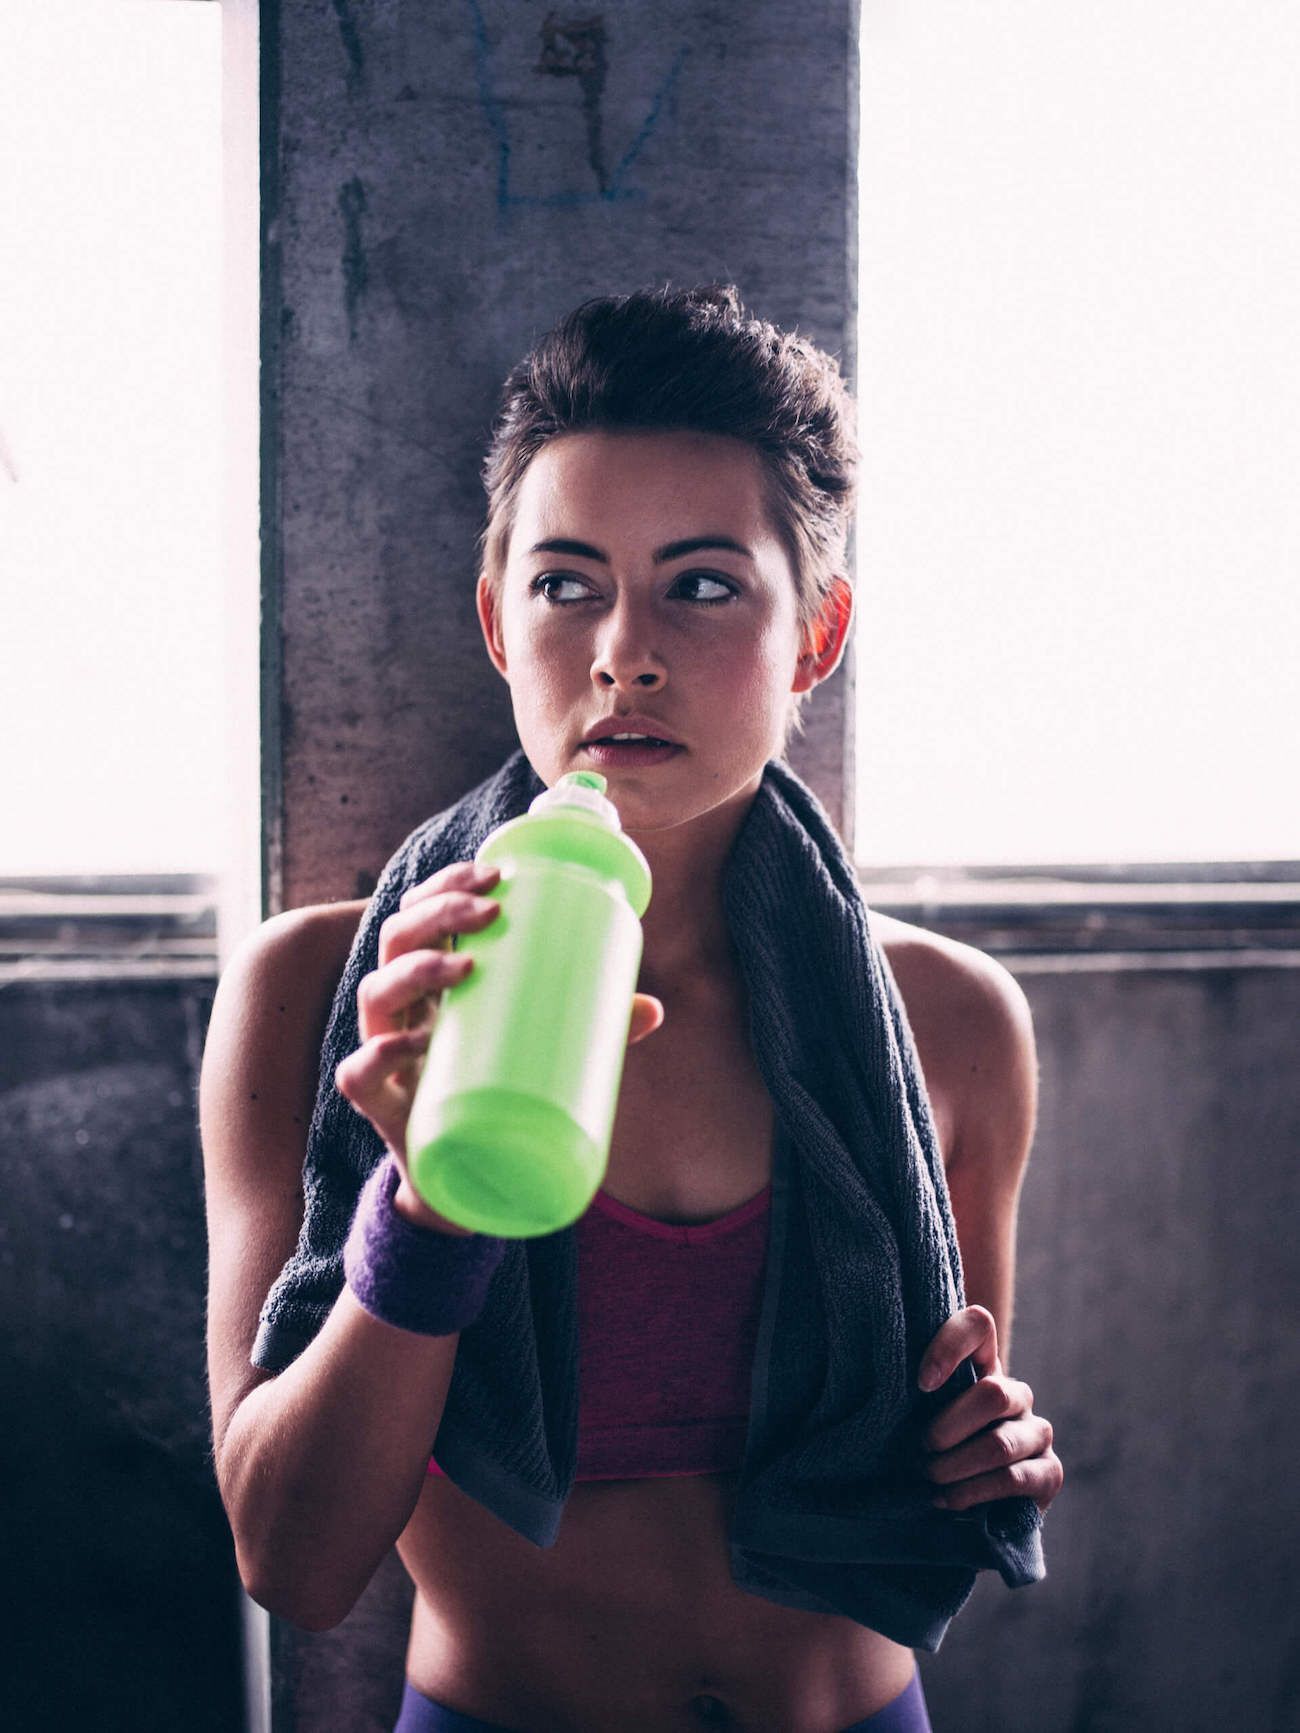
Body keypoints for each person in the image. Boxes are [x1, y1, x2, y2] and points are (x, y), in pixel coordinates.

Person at [201, 285, 1063, 1732]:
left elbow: (937, 1442)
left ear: (818, 633)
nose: (622, 651)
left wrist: (992, 1451)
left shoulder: (948, 1020)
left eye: (704, 583)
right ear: (495, 617)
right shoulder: (323, 996)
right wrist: (427, 1201)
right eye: (567, 582)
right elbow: (289, 1555)